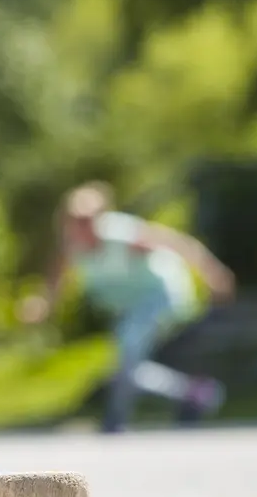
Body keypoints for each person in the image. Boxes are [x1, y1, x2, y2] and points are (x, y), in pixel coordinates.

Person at [20, 181, 236, 432]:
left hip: (163, 296)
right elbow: (56, 281)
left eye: (87, 220)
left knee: (128, 344)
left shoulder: (121, 234)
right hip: (133, 306)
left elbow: (177, 244)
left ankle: (115, 418)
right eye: (75, 220)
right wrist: (43, 304)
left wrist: (212, 273)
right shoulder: (73, 248)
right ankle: (193, 394)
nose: (82, 227)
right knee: (128, 363)